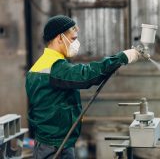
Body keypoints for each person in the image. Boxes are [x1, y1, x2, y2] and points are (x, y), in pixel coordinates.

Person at [25, 15, 140, 158]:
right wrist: (122, 57)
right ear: (60, 38)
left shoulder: (38, 67)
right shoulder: (55, 67)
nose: (76, 43)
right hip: (56, 147)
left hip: (47, 142)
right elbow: (86, 75)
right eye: (73, 39)